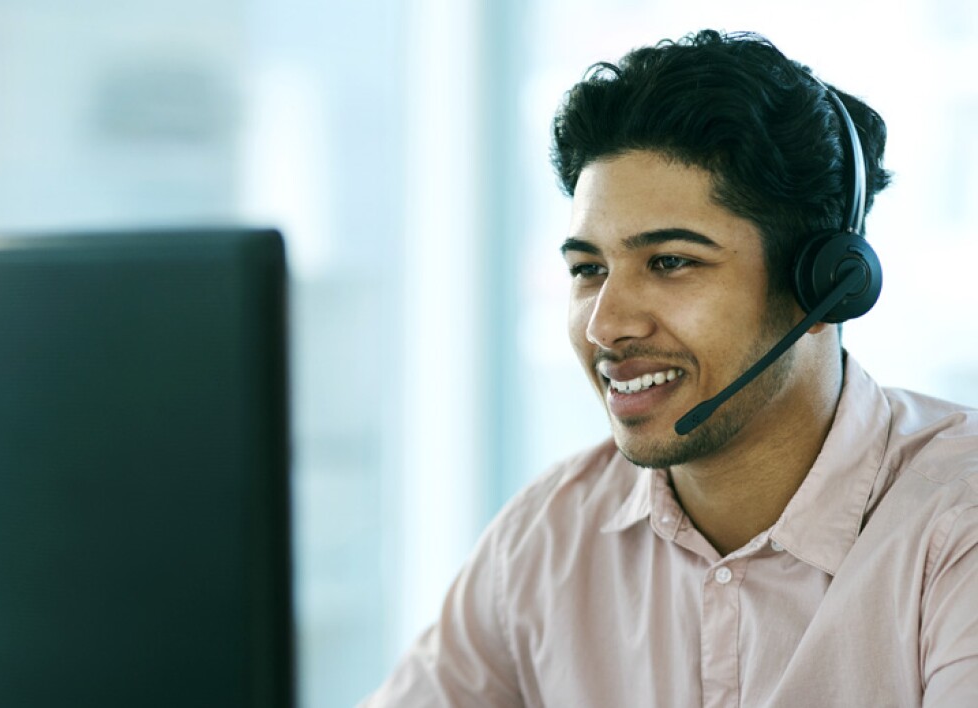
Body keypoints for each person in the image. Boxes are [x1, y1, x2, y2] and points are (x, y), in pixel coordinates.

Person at [362, 30, 978, 706]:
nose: (606, 324)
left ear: (827, 286)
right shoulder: (545, 540)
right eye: (588, 270)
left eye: (670, 262)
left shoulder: (956, 527)